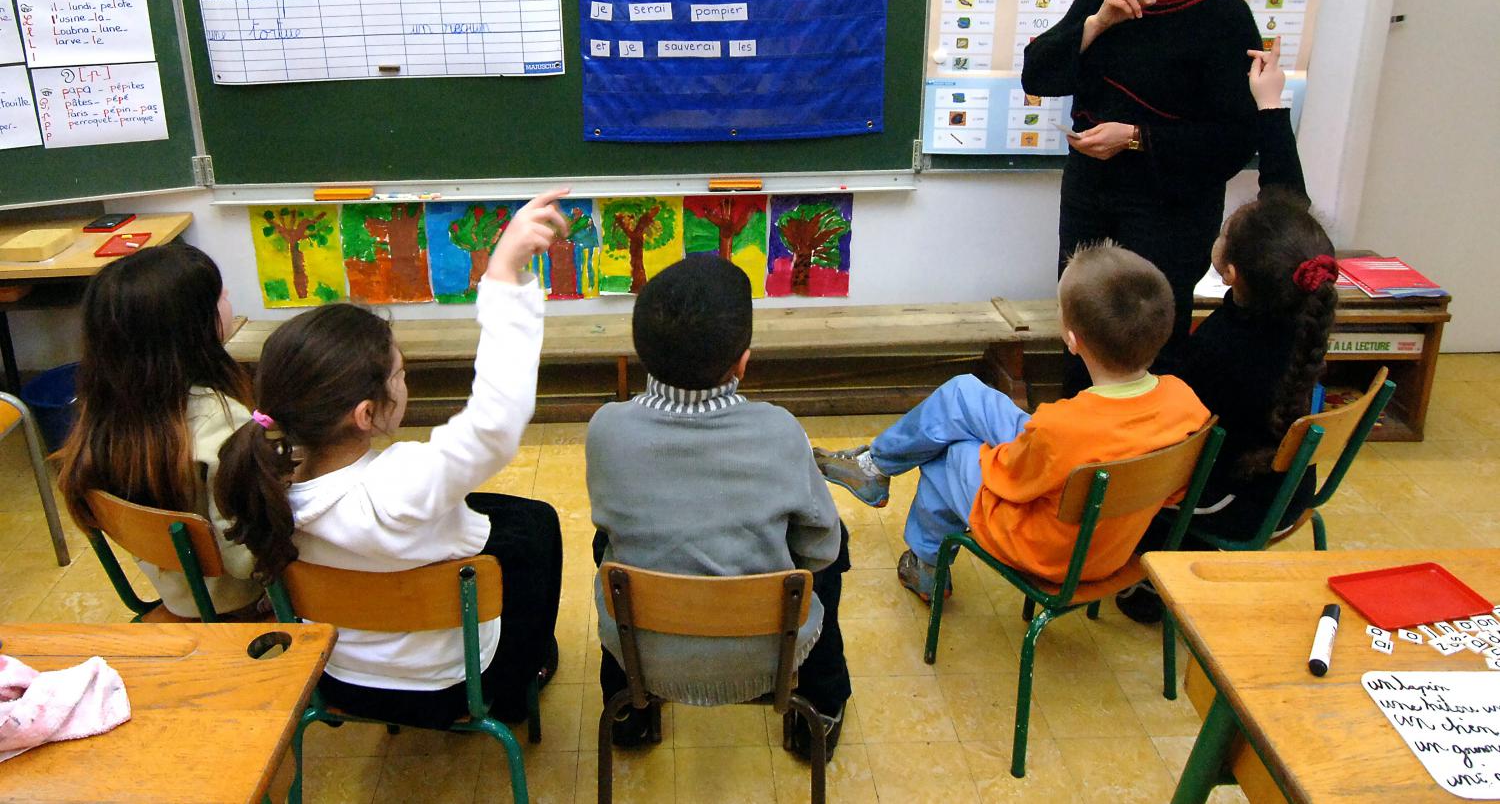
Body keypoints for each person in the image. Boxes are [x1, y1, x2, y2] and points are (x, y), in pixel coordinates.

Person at [214, 190, 568, 726]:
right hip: (450, 686)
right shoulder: (402, 483)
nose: (406, 381)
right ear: (365, 413)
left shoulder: (266, 481)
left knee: (521, 522)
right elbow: (496, 420)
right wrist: (502, 274)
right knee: (525, 534)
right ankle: (519, 688)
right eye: (399, 375)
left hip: (335, 675)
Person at [818, 245, 1210, 600]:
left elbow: (1009, 480)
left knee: (947, 452)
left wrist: (976, 444)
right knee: (962, 395)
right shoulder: (1186, 404)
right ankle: (875, 468)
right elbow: (1171, 490)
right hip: (1112, 545)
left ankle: (920, 555)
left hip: (1048, 552)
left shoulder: (1061, 427)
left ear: (1072, 340)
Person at [586, 256, 851, 761]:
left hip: (645, 652)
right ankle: (818, 703)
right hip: (766, 657)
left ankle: (627, 712)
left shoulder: (606, 430)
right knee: (830, 552)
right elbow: (820, 549)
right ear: (743, 361)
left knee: (607, 547)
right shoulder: (779, 431)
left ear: (641, 352)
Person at [1117, 40, 1338, 623]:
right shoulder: (1301, 303)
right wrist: (1271, 106)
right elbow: (1286, 197)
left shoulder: (1220, 353)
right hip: (1290, 497)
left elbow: (1158, 425)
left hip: (1224, 506)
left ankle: (1155, 581)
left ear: (1228, 271)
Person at [1022, 0, 1263, 391]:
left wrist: (1136, 138)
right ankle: (1079, 444)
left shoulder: (1224, 16)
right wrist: (1096, 24)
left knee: (1151, 345)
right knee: (1082, 327)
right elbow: (1037, 74)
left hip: (1169, 210)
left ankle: (1148, 453)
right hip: (1090, 193)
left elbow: (1236, 140)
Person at [57, 243, 265, 620]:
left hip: (178, 595)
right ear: (194, 326)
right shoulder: (223, 425)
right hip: (241, 602)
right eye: (220, 295)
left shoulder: (102, 419)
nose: (229, 297)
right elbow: (247, 562)